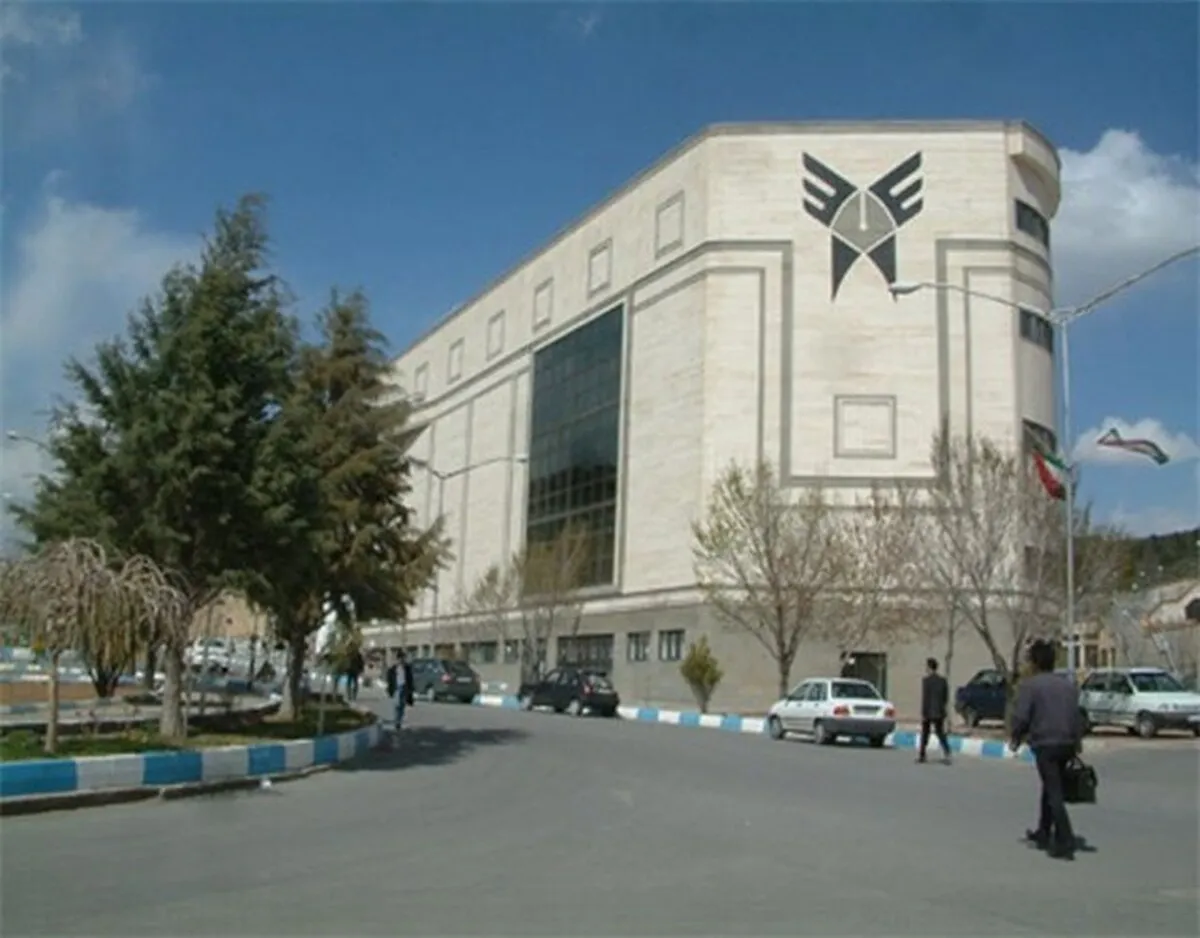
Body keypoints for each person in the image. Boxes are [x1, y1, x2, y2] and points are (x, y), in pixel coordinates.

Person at [1010, 639, 1083, 861]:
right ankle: (1043, 831)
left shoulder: (1031, 686)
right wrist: (1077, 742)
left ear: (1035, 662)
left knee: (1054, 792)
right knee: (1050, 786)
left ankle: (1065, 840)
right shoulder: (1068, 686)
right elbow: (1076, 716)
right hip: (1067, 744)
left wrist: (1015, 736)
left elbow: (1022, 716)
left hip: (1046, 744)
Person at [917, 657, 952, 764]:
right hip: (939, 711)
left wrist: (923, 712)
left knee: (925, 734)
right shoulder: (942, 681)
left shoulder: (926, 681)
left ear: (929, 667)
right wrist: (943, 708)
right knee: (940, 733)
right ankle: (947, 752)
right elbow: (945, 697)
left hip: (928, 711)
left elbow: (925, 698)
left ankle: (922, 755)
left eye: (926, 666)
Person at [386, 650, 415, 729]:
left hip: (404, 687)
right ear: (398, 659)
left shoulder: (407, 668)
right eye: (400, 658)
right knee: (397, 705)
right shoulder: (393, 668)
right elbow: (389, 679)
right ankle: (396, 721)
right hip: (397, 688)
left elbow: (410, 679)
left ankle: (398, 721)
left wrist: (411, 689)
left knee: (402, 705)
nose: (402, 660)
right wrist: (389, 689)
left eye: (403, 658)